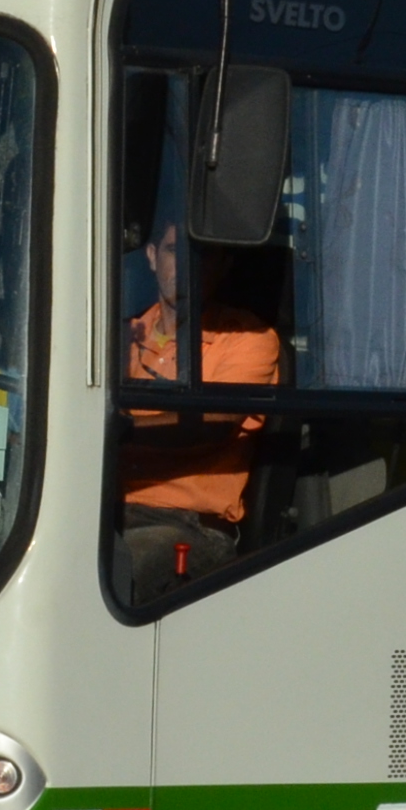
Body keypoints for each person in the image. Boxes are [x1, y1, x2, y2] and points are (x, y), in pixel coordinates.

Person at [121, 220, 281, 603]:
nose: (189, 263)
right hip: (99, 507)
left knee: (109, 573)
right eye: (175, 251)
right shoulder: (122, 334)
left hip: (186, 525)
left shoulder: (248, 339)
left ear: (224, 265)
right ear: (151, 256)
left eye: (204, 253)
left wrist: (115, 429)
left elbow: (213, 425)